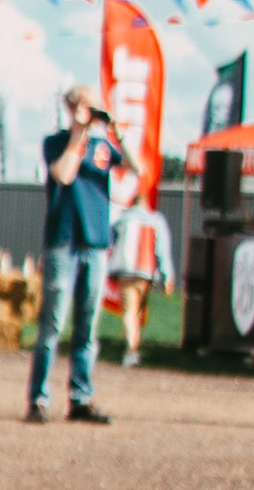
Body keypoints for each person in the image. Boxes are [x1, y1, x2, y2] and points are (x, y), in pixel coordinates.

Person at [27, 82, 134, 425]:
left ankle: (81, 398)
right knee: (53, 324)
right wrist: (79, 134)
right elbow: (63, 174)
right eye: (84, 106)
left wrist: (116, 131)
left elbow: (137, 169)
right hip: (63, 241)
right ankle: (38, 399)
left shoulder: (104, 146)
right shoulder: (56, 142)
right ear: (71, 108)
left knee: (87, 327)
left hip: (95, 242)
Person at [108, 184, 174, 368]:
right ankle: (133, 348)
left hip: (125, 272)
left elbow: (110, 245)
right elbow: (163, 250)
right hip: (145, 273)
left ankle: (131, 350)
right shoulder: (155, 220)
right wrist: (167, 276)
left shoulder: (121, 221)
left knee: (129, 311)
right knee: (137, 311)